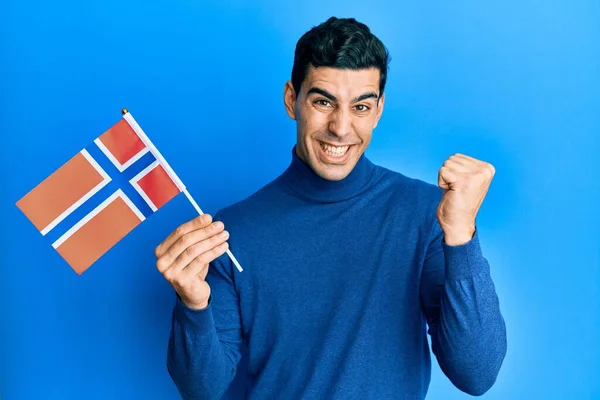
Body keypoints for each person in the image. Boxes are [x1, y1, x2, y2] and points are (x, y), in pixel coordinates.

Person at [155, 16, 507, 399]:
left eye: (360, 107)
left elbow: (477, 374)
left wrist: (460, 236)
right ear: (293, 99)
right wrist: (193, 305)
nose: (340, 128)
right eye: (324, 102)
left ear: (378, 110)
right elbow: (201, 389)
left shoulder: (426, 214)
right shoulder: (230, 232)